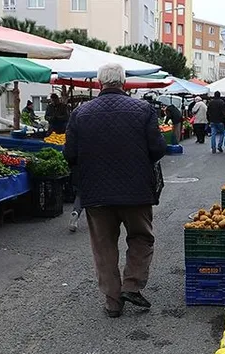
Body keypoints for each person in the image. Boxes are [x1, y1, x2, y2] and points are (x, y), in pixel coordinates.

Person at [63, 63, 167, 318]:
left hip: (96, 192)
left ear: (100, 83)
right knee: (141, 237)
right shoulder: (143, 110)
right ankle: (132, 285)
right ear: (124, 82)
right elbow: (158, 149)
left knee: (104, 247)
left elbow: (69, 154)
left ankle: (113, 302)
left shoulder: (80, 113)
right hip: (136, 191)